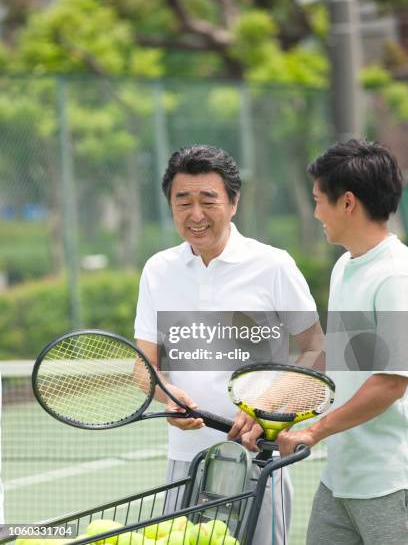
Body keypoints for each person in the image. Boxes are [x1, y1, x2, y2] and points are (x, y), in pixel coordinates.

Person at [134, 145, 324, 545]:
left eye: (208, 200)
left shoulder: (272, 265)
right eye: (182, 201)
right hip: (186, 461)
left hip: (260, 460)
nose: (195, 214)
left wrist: (272, 409)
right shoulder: (157, 271)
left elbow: (316, 350)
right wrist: (167, 396)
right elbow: (144, 365)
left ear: (234, 203)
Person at [275, 139, 408, 545]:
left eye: (319, 200)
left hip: (391, 482)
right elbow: (338, 358)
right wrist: (275, 409)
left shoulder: (395, 276)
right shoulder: (345, 266)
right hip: (339, 481)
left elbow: (391, 381)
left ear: (347, 202)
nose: (315, 212)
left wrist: (314, 433)